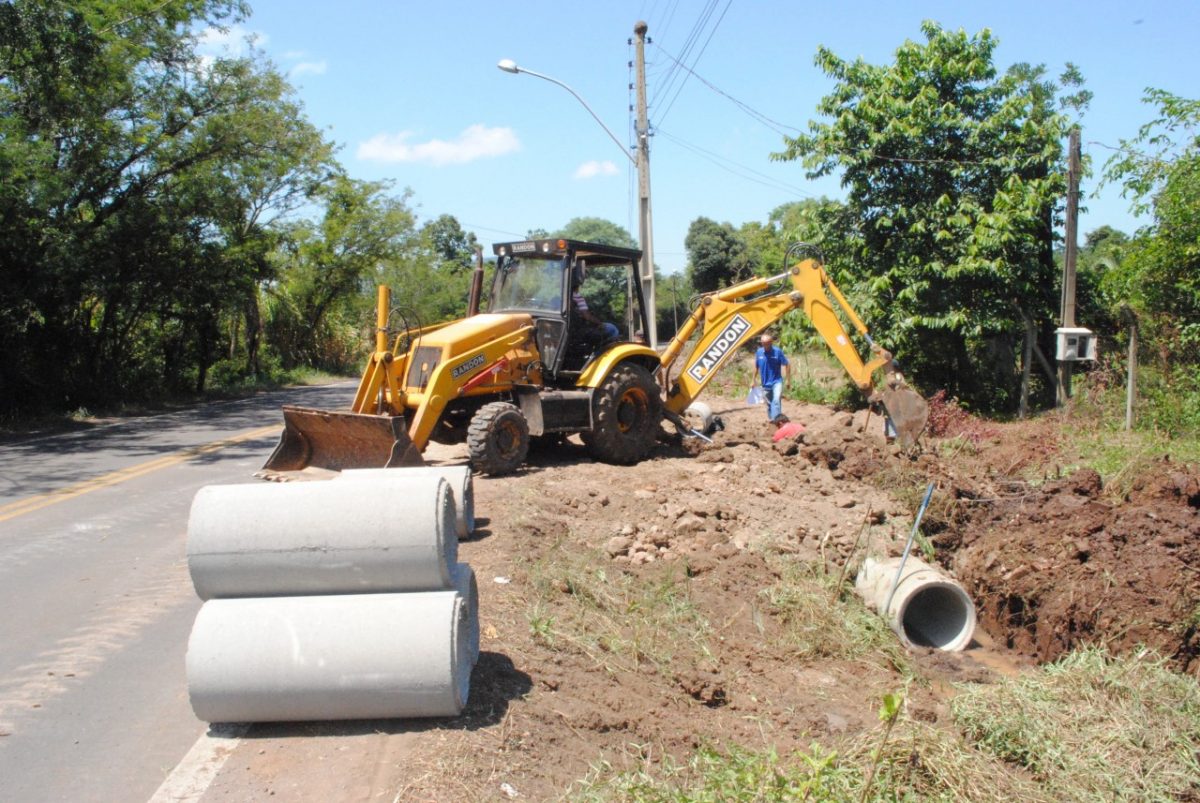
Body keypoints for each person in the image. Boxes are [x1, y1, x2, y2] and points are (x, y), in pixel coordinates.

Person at [750, 332, 791, 426]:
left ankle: (776, 421)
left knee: (776, 400)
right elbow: (756, 366)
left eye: (767, 343)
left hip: (777, 381)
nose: (765, 345)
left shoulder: (777, 352)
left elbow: (787, 364)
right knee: (769, 405)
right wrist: (753, 380)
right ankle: (773, 420)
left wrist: (788, 380)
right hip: (765, 384)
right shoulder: (759, 352)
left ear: (771, 342)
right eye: (763, 343)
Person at [570, 276, 619, 344]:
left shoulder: (562, 296)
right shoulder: (577, 296)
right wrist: (600, 323)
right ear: (578, 285)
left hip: (571, 331)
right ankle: (600, 352)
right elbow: (587, 316)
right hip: (578, 332)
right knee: (612, 328)